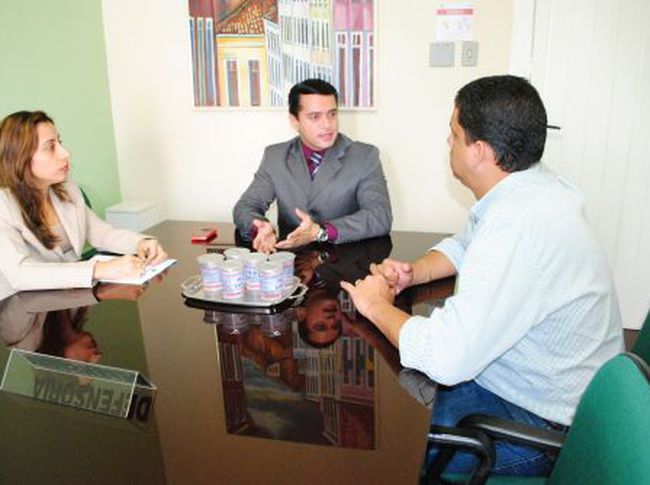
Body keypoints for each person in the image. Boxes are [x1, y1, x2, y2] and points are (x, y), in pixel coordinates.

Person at [341, 75, 623, 476]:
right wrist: (415, 272)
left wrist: (374, 306)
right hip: (539, 389)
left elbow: (444, 356)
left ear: (479, 152)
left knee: (385, 443)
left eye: (454, 134)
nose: (448, 142)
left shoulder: (517, 228)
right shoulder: (532, 187)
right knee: (401, 394)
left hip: (538, 425)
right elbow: (468, 242)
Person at [0, 110, 168, 299]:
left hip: (69, 301)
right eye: (50, 147)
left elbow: (102, 233)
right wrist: (98, 269)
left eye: (60, 142)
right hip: (19, 307)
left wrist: (140, 243)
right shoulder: (3, 207)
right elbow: (20, 273)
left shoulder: (69, 191)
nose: (65, 153)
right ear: (18, 157)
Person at [233, 78, 392, 253]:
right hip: (292, 259)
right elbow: (246, 206)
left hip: (347, 260)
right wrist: (259, 227)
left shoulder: (364, 156)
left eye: (332, 114)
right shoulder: (275, 156)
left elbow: (380, 216)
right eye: (315, 117)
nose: (327, 125)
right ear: (295, 121)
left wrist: (321, 232)